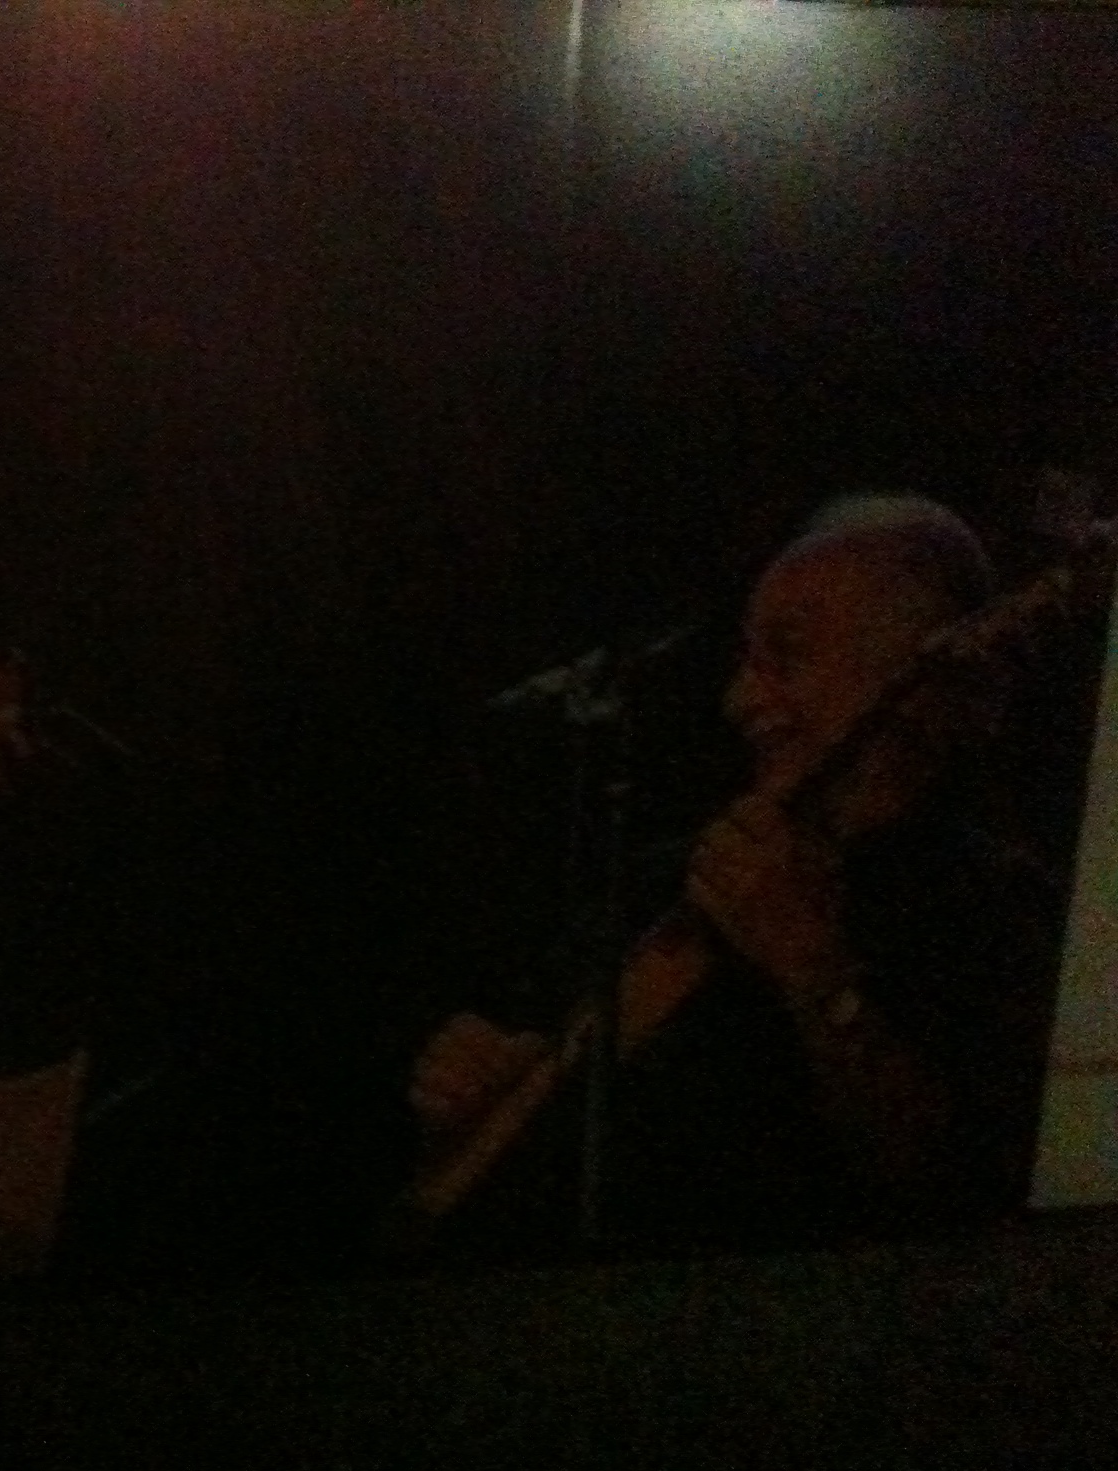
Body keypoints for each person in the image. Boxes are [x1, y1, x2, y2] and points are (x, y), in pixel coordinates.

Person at [403, 494, 1066, 1260]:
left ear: (920, 670)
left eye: (787, 654)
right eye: (745, 661)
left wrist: (811, 966)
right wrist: (480, 1093)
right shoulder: (661, 883)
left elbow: (962, 1196)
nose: (740, 699)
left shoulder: (1006, 909)